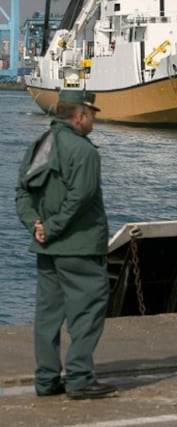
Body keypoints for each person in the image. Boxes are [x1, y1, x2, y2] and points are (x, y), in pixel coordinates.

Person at [16, 89, 117, 400]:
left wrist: (36, 225)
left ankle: (46, 380)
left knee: (48, 316)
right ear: (81, 116)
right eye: (92, 115)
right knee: (87, 310)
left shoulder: (39, 145)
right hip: (79, 246)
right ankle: (79, 378)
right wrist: (53, 228)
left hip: (47, 250)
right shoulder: (85, 152)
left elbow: (22, 192)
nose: (94, 121)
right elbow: (81, 199)